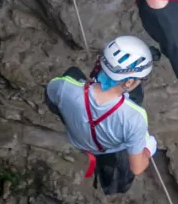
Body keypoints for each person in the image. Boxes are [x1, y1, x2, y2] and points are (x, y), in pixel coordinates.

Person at [45, 36, 158, 195]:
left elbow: (50, 94)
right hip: (108, 148)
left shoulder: (64, 86)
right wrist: (147, 150)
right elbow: (137, 168)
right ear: (128, 82)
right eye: (141, 79)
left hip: (77, 135)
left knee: (73, 72)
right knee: (136, 97)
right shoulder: (134, 118)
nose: (141, 81)